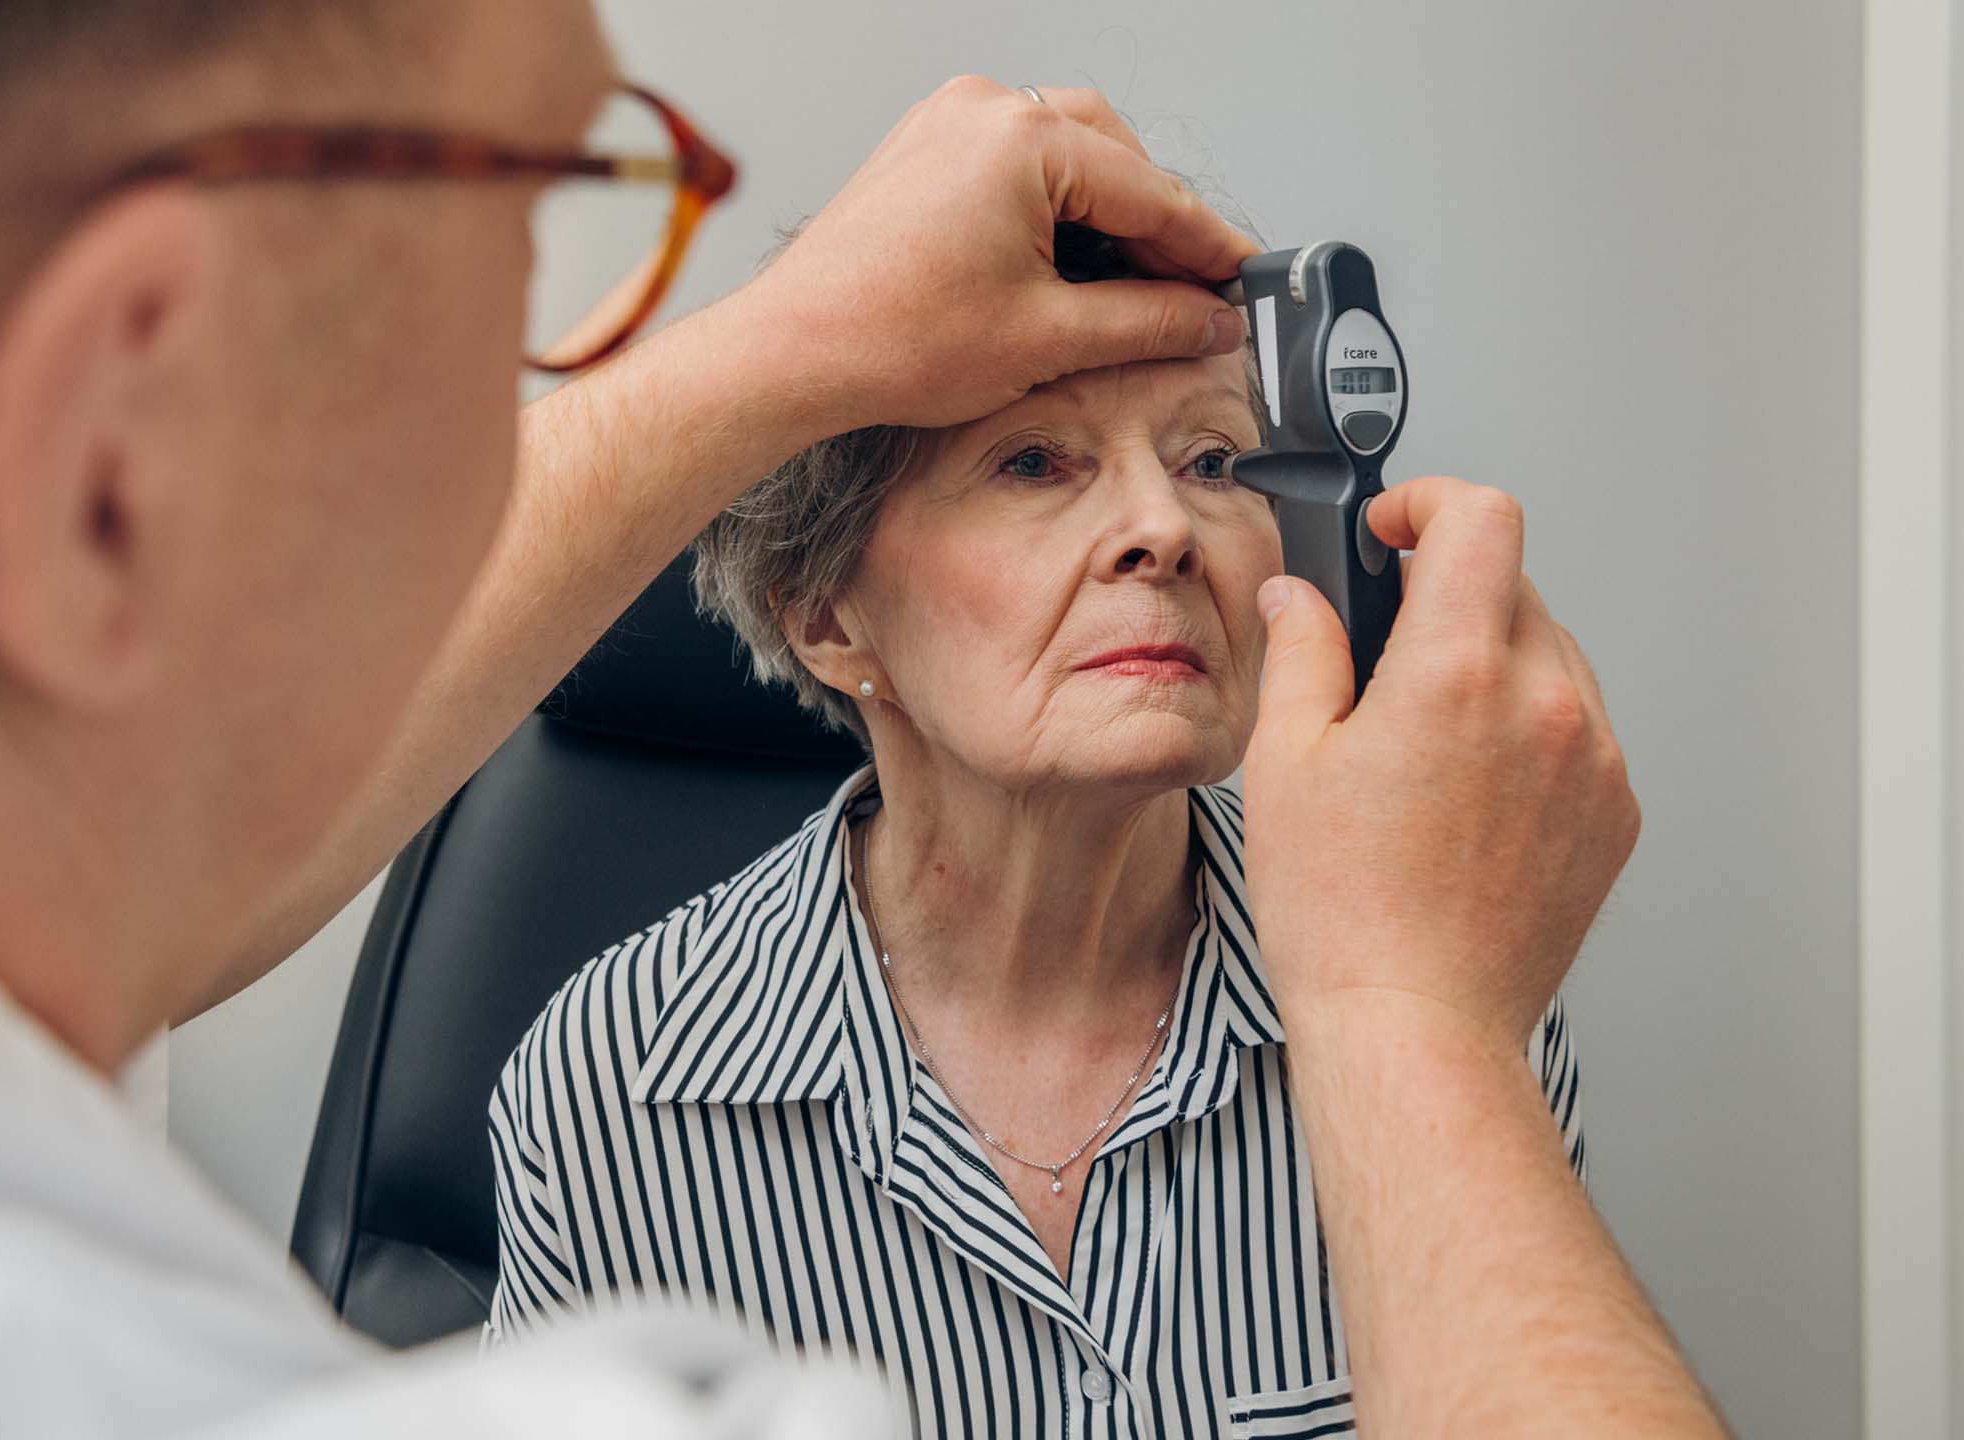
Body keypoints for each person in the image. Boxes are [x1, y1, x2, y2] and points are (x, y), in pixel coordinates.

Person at [0, 1, 1721, 1436]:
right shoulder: (614, 1110)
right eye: (570, 229)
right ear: (108, 448)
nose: (1157, 535)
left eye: (1215, 467)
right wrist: (1411, 1019)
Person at [481, 336, 1587, 1433]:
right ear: (823, 616)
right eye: (1032, 463)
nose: (1162, 529)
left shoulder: (1437, 990)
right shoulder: (611, 1086)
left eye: (1211, 461)